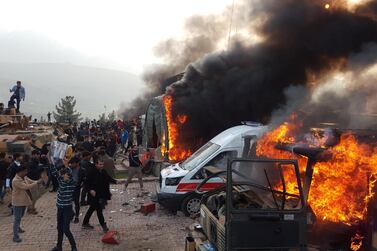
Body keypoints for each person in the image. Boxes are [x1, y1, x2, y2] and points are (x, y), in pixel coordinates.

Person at [50, 157, 77, 251]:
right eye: (63, 175)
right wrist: (51, 161)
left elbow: (70, 172)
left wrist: (67, 166)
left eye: (65, 175)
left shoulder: (72, 183)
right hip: (60, 208)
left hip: (67, 209)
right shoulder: (61, 181)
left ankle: (74, 247)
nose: (63, 176)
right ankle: (59, 247)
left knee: (66, 229)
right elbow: (54, 172)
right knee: (59, 228)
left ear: (69, 176)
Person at [82, 156, 116, 233]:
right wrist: (90, 190)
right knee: (99, 210)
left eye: (102, 164)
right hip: (93, 194)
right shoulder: (91, 171)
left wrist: (115, 181)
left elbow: (107, 177)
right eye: (100, 164)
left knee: (92, 208)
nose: (101, 166)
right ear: (96, 164)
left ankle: (85, 223)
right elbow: (86, 183)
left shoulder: (102, 171)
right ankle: (104, 226)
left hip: (99, 194)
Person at [12, 164, 42, 242]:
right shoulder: (15, 180)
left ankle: (18, 228)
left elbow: (31, 181)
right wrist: (37, 183)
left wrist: (37, 182)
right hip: (17, 202)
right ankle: (15, 236)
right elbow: (26, 187)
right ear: (21, 171)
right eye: (25, 171)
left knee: (20, 216)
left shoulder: (24, 177)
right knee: (17, 219)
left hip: (24, 201)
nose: (26, 172)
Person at [69, 156, 86, 223]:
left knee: (76, 202)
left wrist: (81, 184)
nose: (71, 164)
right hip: (70, 188)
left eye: (73, 163)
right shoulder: (70, 169)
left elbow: (84, 179)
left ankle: (77, 216)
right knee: (69, 202)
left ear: (77, 163)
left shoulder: (82, 170)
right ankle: (72, 213)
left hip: (76, 188)